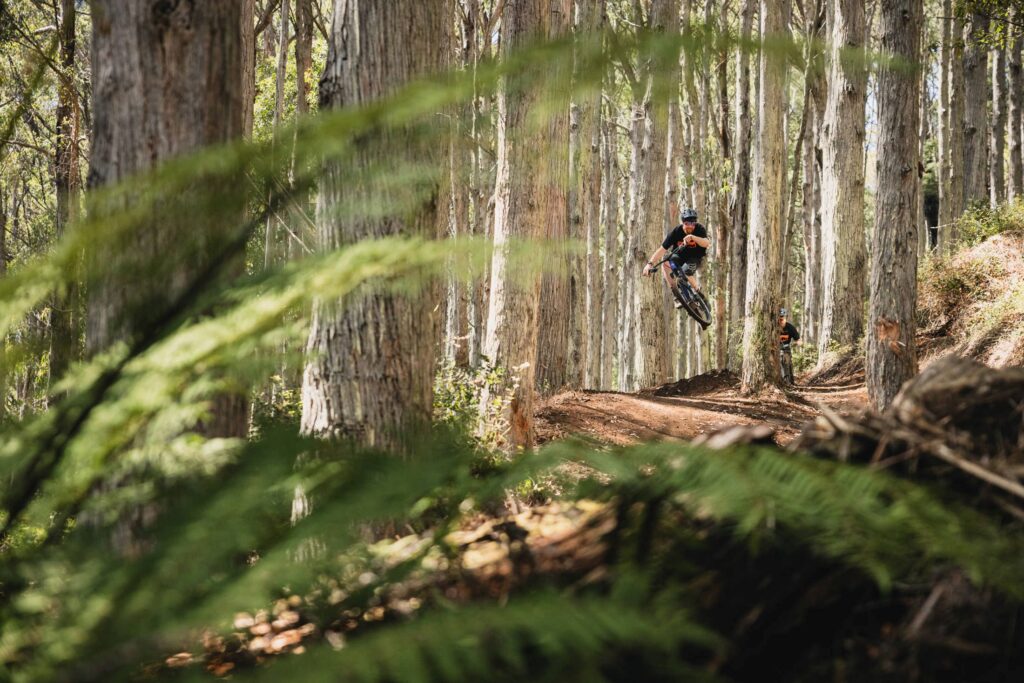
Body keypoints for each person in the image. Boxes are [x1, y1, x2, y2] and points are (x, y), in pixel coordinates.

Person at [641, 208, 711, 309]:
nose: (690, 226)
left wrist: (692, 237)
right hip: (679, 256)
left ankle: (697, 291)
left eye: (693, 223)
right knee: (666, 262)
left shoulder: (699, 229)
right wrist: (649, 264)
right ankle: (676, 293)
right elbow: (662, 250)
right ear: (683, 223)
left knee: (686, 271)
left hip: (695, 257)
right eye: (687, 223)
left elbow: (707, 243)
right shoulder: (676, 232)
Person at [779, 308, 801, 384]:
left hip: (786, 348)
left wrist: (798, 343)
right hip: (775, 349)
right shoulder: (773, 327)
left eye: (783, 317)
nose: (781, 319)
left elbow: (797, 338)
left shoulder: (790, 327)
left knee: (787, 363)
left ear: (786, 318)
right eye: (780, 317)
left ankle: (789, 382)